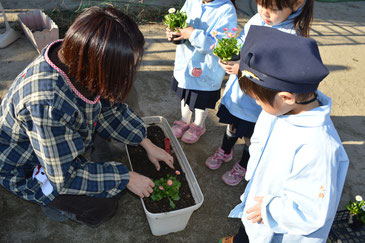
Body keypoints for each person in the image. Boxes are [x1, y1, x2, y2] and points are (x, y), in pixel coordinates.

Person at [0, 6, 174, 227]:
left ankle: (89, 166)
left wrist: (145, 141)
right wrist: (126, 177)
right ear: (99, 63)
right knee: (103, 207)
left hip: (52, 145)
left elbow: (109, 109)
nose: (129, 74)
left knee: (106, 169)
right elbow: (64, 176)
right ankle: (54, 205)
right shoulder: (47, 104)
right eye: (124, 69)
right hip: (25, 165)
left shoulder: (78, 57)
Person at [220, 25, 349, 243]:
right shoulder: (280, 109)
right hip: (259, 202)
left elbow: (312, 212)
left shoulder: (319, 147)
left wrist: (271, 209)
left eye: (259, 101)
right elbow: (260, 141)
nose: (258, 106)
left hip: (279, 223)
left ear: (287, 97)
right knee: (249, 229)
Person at [206, 0, 314, 186]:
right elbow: (242, 40)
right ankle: (226, 150)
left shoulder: (291, 36)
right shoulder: (257, 19)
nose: (265, 13)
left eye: (273, 9)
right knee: (232, 125)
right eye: (261, 5)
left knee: (252, 137)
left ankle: (243, 165)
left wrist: (243, 69)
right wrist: (230, 52)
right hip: (238, 93)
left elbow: (277, 74)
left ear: (296, 4)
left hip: (258, 102)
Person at [166, 0, 238, 144]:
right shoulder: (192, 1)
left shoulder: (226, 9)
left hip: (206, 68)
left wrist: (192, 34)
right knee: (185, 94)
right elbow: (181, 22)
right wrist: (174, 31)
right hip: (185, 62)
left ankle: (199, 125)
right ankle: (184, 120)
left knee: (201, 101)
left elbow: (222, 44)